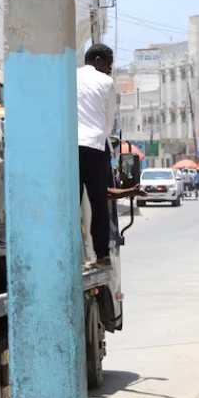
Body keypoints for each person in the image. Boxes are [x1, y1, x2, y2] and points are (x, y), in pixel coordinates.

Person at [77, 44, 118, 264]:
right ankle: (102, 254)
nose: (109, 70)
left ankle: (71, 253)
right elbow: (109, 121)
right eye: (109, 66)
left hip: (70, 147)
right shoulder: (106, 82)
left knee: (70, 204)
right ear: (99, 60)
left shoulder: (69, 78)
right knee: (98, 203)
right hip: (94, 145)